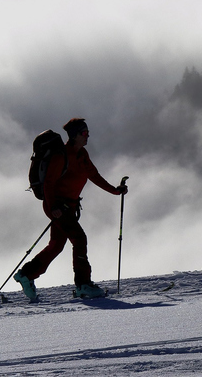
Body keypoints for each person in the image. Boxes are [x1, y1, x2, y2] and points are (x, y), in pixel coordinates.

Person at [14, 118, 128, 300]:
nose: (87, 136)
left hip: (68, 207)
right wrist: (53, 207)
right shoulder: (62, 155)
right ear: (74, 135)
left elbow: (94, 176)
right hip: (58, 206)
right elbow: (49, 184)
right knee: (79, 239)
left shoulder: (82, 155)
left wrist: (116, 191)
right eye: (84, 133)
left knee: (56, 246)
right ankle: (83, 284)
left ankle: (26, 275)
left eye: (87, 132)